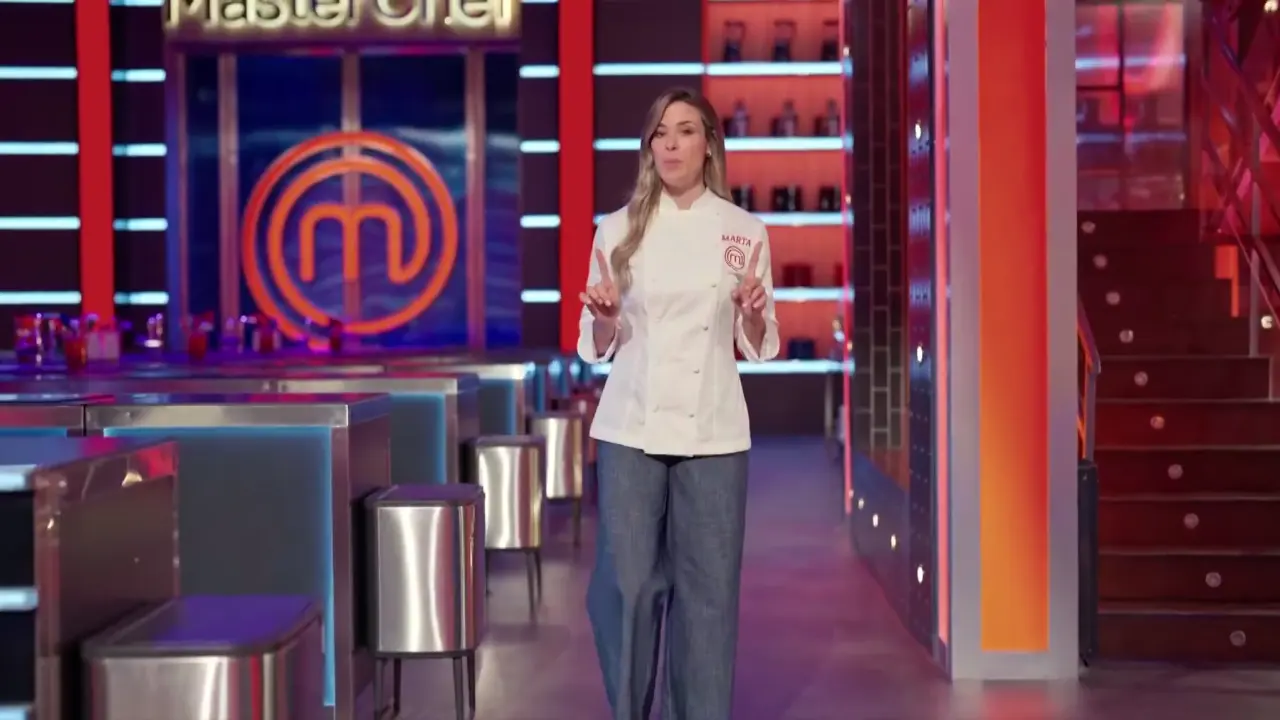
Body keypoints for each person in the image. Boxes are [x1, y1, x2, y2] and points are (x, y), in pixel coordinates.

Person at [577, 86, 780, 720]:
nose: (670, 144)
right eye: (660, 133)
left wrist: (752, 313)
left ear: (709, 144)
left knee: (708, 596)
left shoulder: (744, 231)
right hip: (630, 427)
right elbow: (595, 346)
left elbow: (760, 343)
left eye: (685, 131)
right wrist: (605, 319)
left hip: (714, 433)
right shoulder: (616, 230)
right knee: (628, 588)